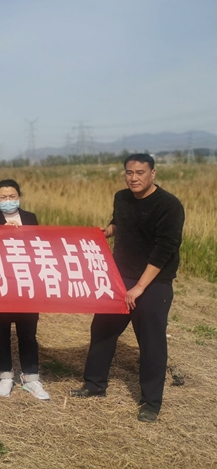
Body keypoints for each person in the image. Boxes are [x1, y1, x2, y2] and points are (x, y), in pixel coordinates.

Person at [71, 153, 184, 423]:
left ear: (153, 174)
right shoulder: (122, 197)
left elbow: (165, 249)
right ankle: (94, 384)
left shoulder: (169, 205)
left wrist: (140, 287)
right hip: (119, 277)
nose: (134, 178)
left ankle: (151, 403)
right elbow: (119, 223)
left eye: (140, 173)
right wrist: (107, 231)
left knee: (151, 342)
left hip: (154, 282)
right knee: (102, 330)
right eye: (129, 172)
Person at [0, 179, 49, 400]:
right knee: (1, 331)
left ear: (19, 197)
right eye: (3, 197)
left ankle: (31, 377)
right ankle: (5, 375)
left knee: (27, 331)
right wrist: (2, 232)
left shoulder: (30, 218)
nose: (8, 200)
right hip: (1, 282)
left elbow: (38, 244)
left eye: (12, 196)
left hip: (25, 281)